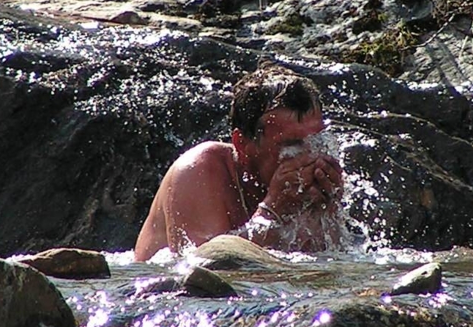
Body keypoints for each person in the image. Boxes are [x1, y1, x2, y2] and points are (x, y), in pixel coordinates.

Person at [132, 67, 345, 260]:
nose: (308, 155)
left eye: (315, 140)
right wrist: (274, 210)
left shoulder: (310, 178)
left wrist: (327, 210)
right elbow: (207, 268)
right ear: (242, 143)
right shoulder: (198, 169)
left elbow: (327, 267)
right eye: (291, 145)